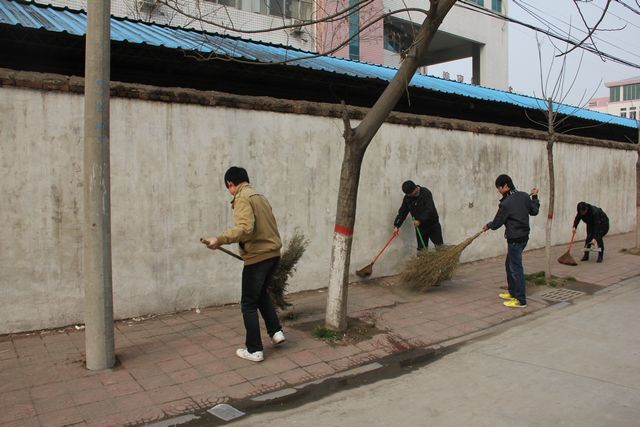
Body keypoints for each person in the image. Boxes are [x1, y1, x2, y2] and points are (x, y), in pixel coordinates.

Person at [203, 167, 285, 362]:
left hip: (258, 258)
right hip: (273, 255)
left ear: (230, 184)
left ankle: (254, 349)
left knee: (248, 303)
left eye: (228, 188)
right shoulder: (260, 197)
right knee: (261, 295)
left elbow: (245, 228)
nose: (229, 191)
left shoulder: (242, 198)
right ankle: (276, 332)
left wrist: (219, 239)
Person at [483, 174, 539, 308]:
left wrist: (488, 225)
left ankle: (520, 300)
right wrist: (535, 197)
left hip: (514, 239)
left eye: (499, 188)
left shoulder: (506, 203)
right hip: (524, 237)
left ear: (506, 186)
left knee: (515, 268)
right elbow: (534, 211)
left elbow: (497, 223)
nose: (498, 190)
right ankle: (512, 292)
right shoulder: (524, 196)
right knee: (510, 264)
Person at [393, 180, 443, 250]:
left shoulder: (425, 193)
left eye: (410, 193)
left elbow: (429, 209)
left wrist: (420, 220)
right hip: (420, 228)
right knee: (422, 251)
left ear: (415, 188)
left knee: (439, 248)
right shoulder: (408, 198)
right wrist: (397, 226)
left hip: (433, 225)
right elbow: (402, 212)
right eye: (407, 194)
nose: (408, 196)